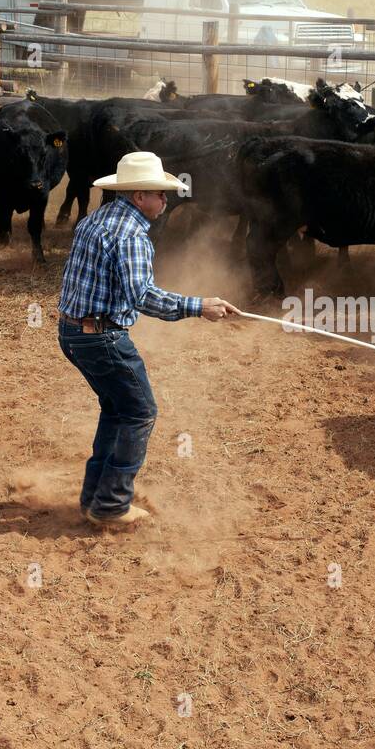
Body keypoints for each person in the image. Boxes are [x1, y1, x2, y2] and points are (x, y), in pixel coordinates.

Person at [57, 151, 239, 527]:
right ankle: (110, 504)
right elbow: (143, 296)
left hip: (73, 331)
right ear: (139, 196)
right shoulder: (130, 235)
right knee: (140, 411)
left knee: (118, 409)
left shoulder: (97, 220)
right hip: (101, 337)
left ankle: (96, 497)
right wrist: (199, 306)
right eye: (159, 193)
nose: (165, 199)